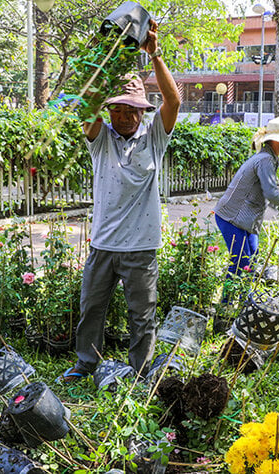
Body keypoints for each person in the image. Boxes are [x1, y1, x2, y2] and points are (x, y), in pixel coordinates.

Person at [60, 19, 181, 383]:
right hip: (103, 244)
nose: (125, 116)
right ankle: (85, 365)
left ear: (143, 112)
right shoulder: (101, 140)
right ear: (109, 109)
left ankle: (141, 370)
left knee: (141, 314)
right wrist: (108, 58)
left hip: (141, 247)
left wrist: (153, 54)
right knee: (91, 308)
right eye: (118, 108)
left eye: (132, 110)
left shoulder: (154, 138)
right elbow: (87, 105)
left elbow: (173, 100)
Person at [214, 117, 279, 279]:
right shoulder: (265, 160)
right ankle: (227, 303)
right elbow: (271, 193)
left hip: (245, 220)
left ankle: (245, 300)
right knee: (242, 264)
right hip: (231, 217)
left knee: (252, 259)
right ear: (273, 141)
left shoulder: (268, 158)